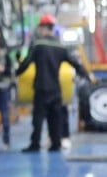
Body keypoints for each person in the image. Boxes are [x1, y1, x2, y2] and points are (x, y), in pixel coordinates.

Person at [16, 13, 90, 152]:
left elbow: (26, 62)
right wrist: (86, 75)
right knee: (55, 118)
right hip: (55, 88)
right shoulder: (60, 46)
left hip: (41, 87)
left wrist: (16, 72)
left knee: (38, 118)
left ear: (43, 28)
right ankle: (55, 143)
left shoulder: (38, 44)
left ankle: (35, 144)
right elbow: (75, 63)